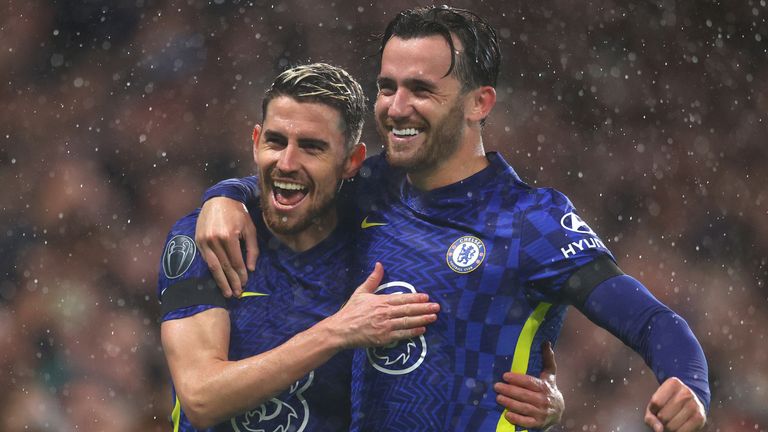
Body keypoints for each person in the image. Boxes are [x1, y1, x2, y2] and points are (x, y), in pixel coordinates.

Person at [196, 6, 709, 432]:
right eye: (387, 86)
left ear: (478, 103)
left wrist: (687, 382)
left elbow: (653, 321)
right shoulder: (369, 187)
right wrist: (226, 196)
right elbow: (290, 177)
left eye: (420, 89)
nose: (396, 108)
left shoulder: (531, 221)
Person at [158, 63, 444, 431]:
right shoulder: (207, 239)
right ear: (256, 141)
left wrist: (544, 398)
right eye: (276, 141)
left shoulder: (380, 233)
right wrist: (336, 331)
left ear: (352, 161)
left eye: (312, 147)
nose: (287, 163)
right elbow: (201, 397)